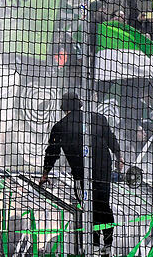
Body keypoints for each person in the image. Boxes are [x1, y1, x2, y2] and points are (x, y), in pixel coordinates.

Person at [39, 93, 124, 256]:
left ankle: (95, 248)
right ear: (79, 104)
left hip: (81, 175)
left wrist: (45, 174)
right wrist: (119, 156)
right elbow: (112, 139)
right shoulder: (98, 119)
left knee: (89, 210)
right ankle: (106, 248)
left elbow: (52, 152)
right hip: (103, 171)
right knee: (104, 207)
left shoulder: (60, 126)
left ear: (63, 107)